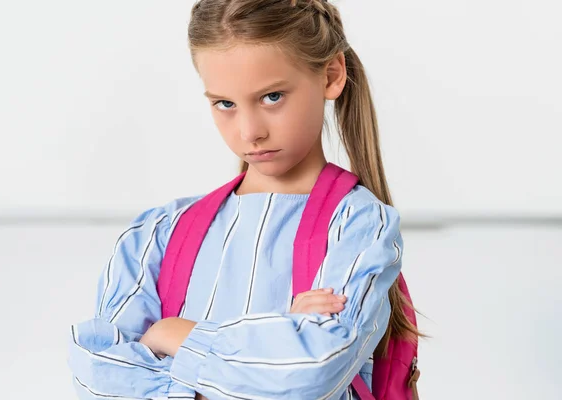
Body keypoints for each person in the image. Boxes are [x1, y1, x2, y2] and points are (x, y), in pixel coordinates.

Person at [67, 1, 420, 399]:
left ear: (332, 76)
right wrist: (278, 340)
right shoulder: (159, 232)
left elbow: (310, 375)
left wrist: (170, 334)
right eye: (225, 104)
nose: (250, 132)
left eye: (272, 97)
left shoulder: (357, 224)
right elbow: (99, 379)